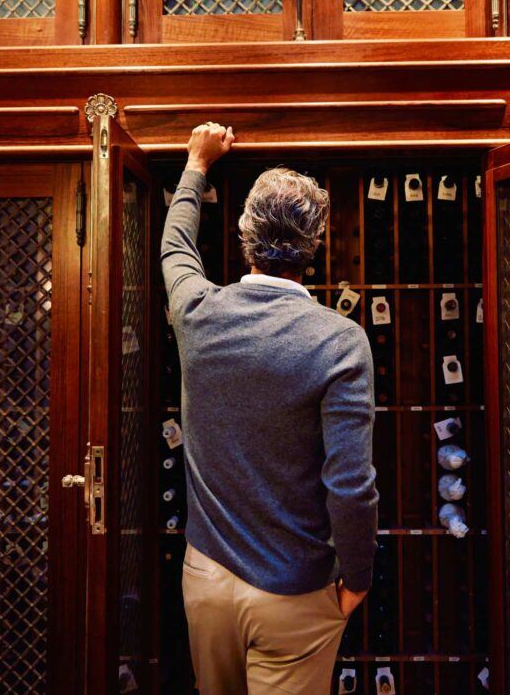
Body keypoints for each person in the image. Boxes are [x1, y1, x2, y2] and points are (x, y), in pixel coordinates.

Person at [162, 122, 378, 695]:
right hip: (296, 591)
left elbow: (175, 248)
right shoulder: (340, 341)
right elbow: (351, 484)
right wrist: (358, 576)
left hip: (206, 579)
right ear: (316, 246)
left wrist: (196, 165)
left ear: (242, 236)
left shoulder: (197, 313)